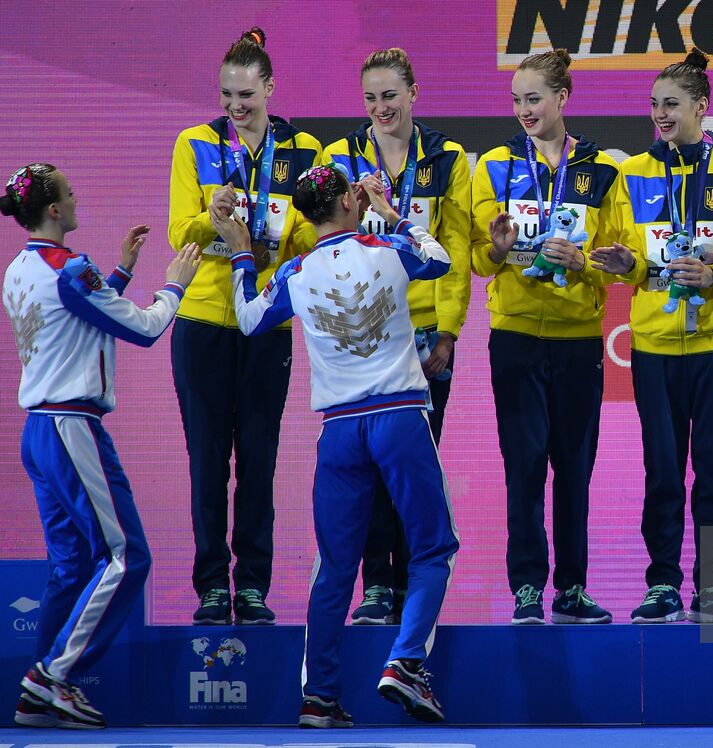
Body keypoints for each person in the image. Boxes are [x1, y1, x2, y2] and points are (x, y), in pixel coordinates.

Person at [215, 165, 459, 728]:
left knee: (334, 568)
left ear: (303, 214)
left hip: (341, 432)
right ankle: (406, 663)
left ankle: (319, 697)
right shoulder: (388, 247)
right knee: (431, 549)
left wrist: (242, 254)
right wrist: (395, 213)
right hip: (398, 418)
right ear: (351, 200)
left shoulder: (297, 271)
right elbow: (442, 261)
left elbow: (250, 320)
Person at [4, 163, 201, 729]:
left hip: (39, 431)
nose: (77, 193)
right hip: (73, 429)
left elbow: (77, 319)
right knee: (127, 556)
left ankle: (39, 688)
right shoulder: (70, 269)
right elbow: (141, 328)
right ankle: (53, 679)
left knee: (69, 567)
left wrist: (120, 271)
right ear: (56, 211)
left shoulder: (20, 269)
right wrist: (174, 284)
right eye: (70, 190)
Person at [589, 49, 713, 625]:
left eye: (672, 104)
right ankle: (662, 583)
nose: (661, 115)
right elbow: (630, 256)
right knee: (662, 469)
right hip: (655, 344)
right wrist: (626, 265)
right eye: (655, 105)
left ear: (701, 107)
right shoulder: (633, 171)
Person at [167, 27, 322, 625]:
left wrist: (272, 238)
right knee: (207, 460)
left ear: (270, 88)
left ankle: (252, 584)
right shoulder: (195, 143)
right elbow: (182, 230)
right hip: (204, 320)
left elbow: (313, 231)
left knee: (259, 459)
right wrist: (214, 219)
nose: (235, 106)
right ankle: (211, 584)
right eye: (227, 94)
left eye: (247, 95)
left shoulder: (304, 148)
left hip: (267, 324)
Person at [471, 49, 623, 625]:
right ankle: (528, 587)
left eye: (533, 98)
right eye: (516, 100)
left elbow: (617, 256)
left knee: (574, 466)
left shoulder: (602, 169)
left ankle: (573, 587)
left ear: (562, 98)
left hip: (579, 337)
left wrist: (584, 260)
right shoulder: (494, 164)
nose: (523, 110)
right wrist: (500, 250)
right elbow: (479, 261)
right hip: (515, 336)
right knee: (525, 461)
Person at [321, 47, 473, 626]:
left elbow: (456, 252)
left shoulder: (448, 157)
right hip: (365, 332)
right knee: (367, 466)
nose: (380, 107)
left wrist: (450, 333)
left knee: (415, 466)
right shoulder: (341, 157)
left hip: (426, 333)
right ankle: (376, 586)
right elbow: (327, 242)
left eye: (390, 95)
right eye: (370, 98)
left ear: (413, 92)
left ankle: (411, 587)